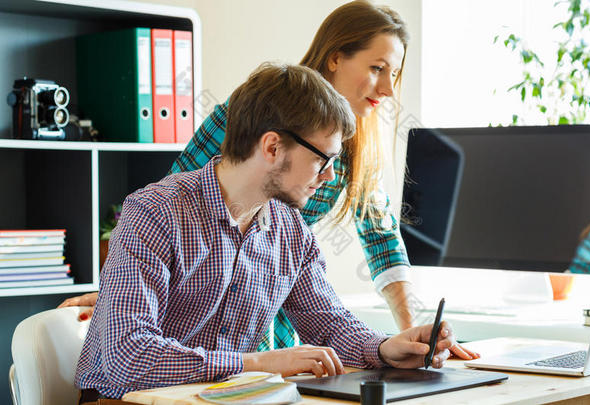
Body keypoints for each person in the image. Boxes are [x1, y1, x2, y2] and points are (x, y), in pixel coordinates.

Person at [60, 0, 477, 360]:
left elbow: (376, 246)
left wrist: (411, 338)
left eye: (395, 74)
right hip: (197, 312)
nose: (388, 88)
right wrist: (130, 289)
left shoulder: (302, 215)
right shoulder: (245, 120)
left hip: (268, 295)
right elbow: (173, 219)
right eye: (377, 67)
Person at [75, 63, 457, 402]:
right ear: (272, 146)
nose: (329, 176)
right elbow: (128, 360)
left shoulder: (290, 231)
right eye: (323, 159)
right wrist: (259, 363)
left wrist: (388, 348)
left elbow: (328, 324)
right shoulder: (155, 212)